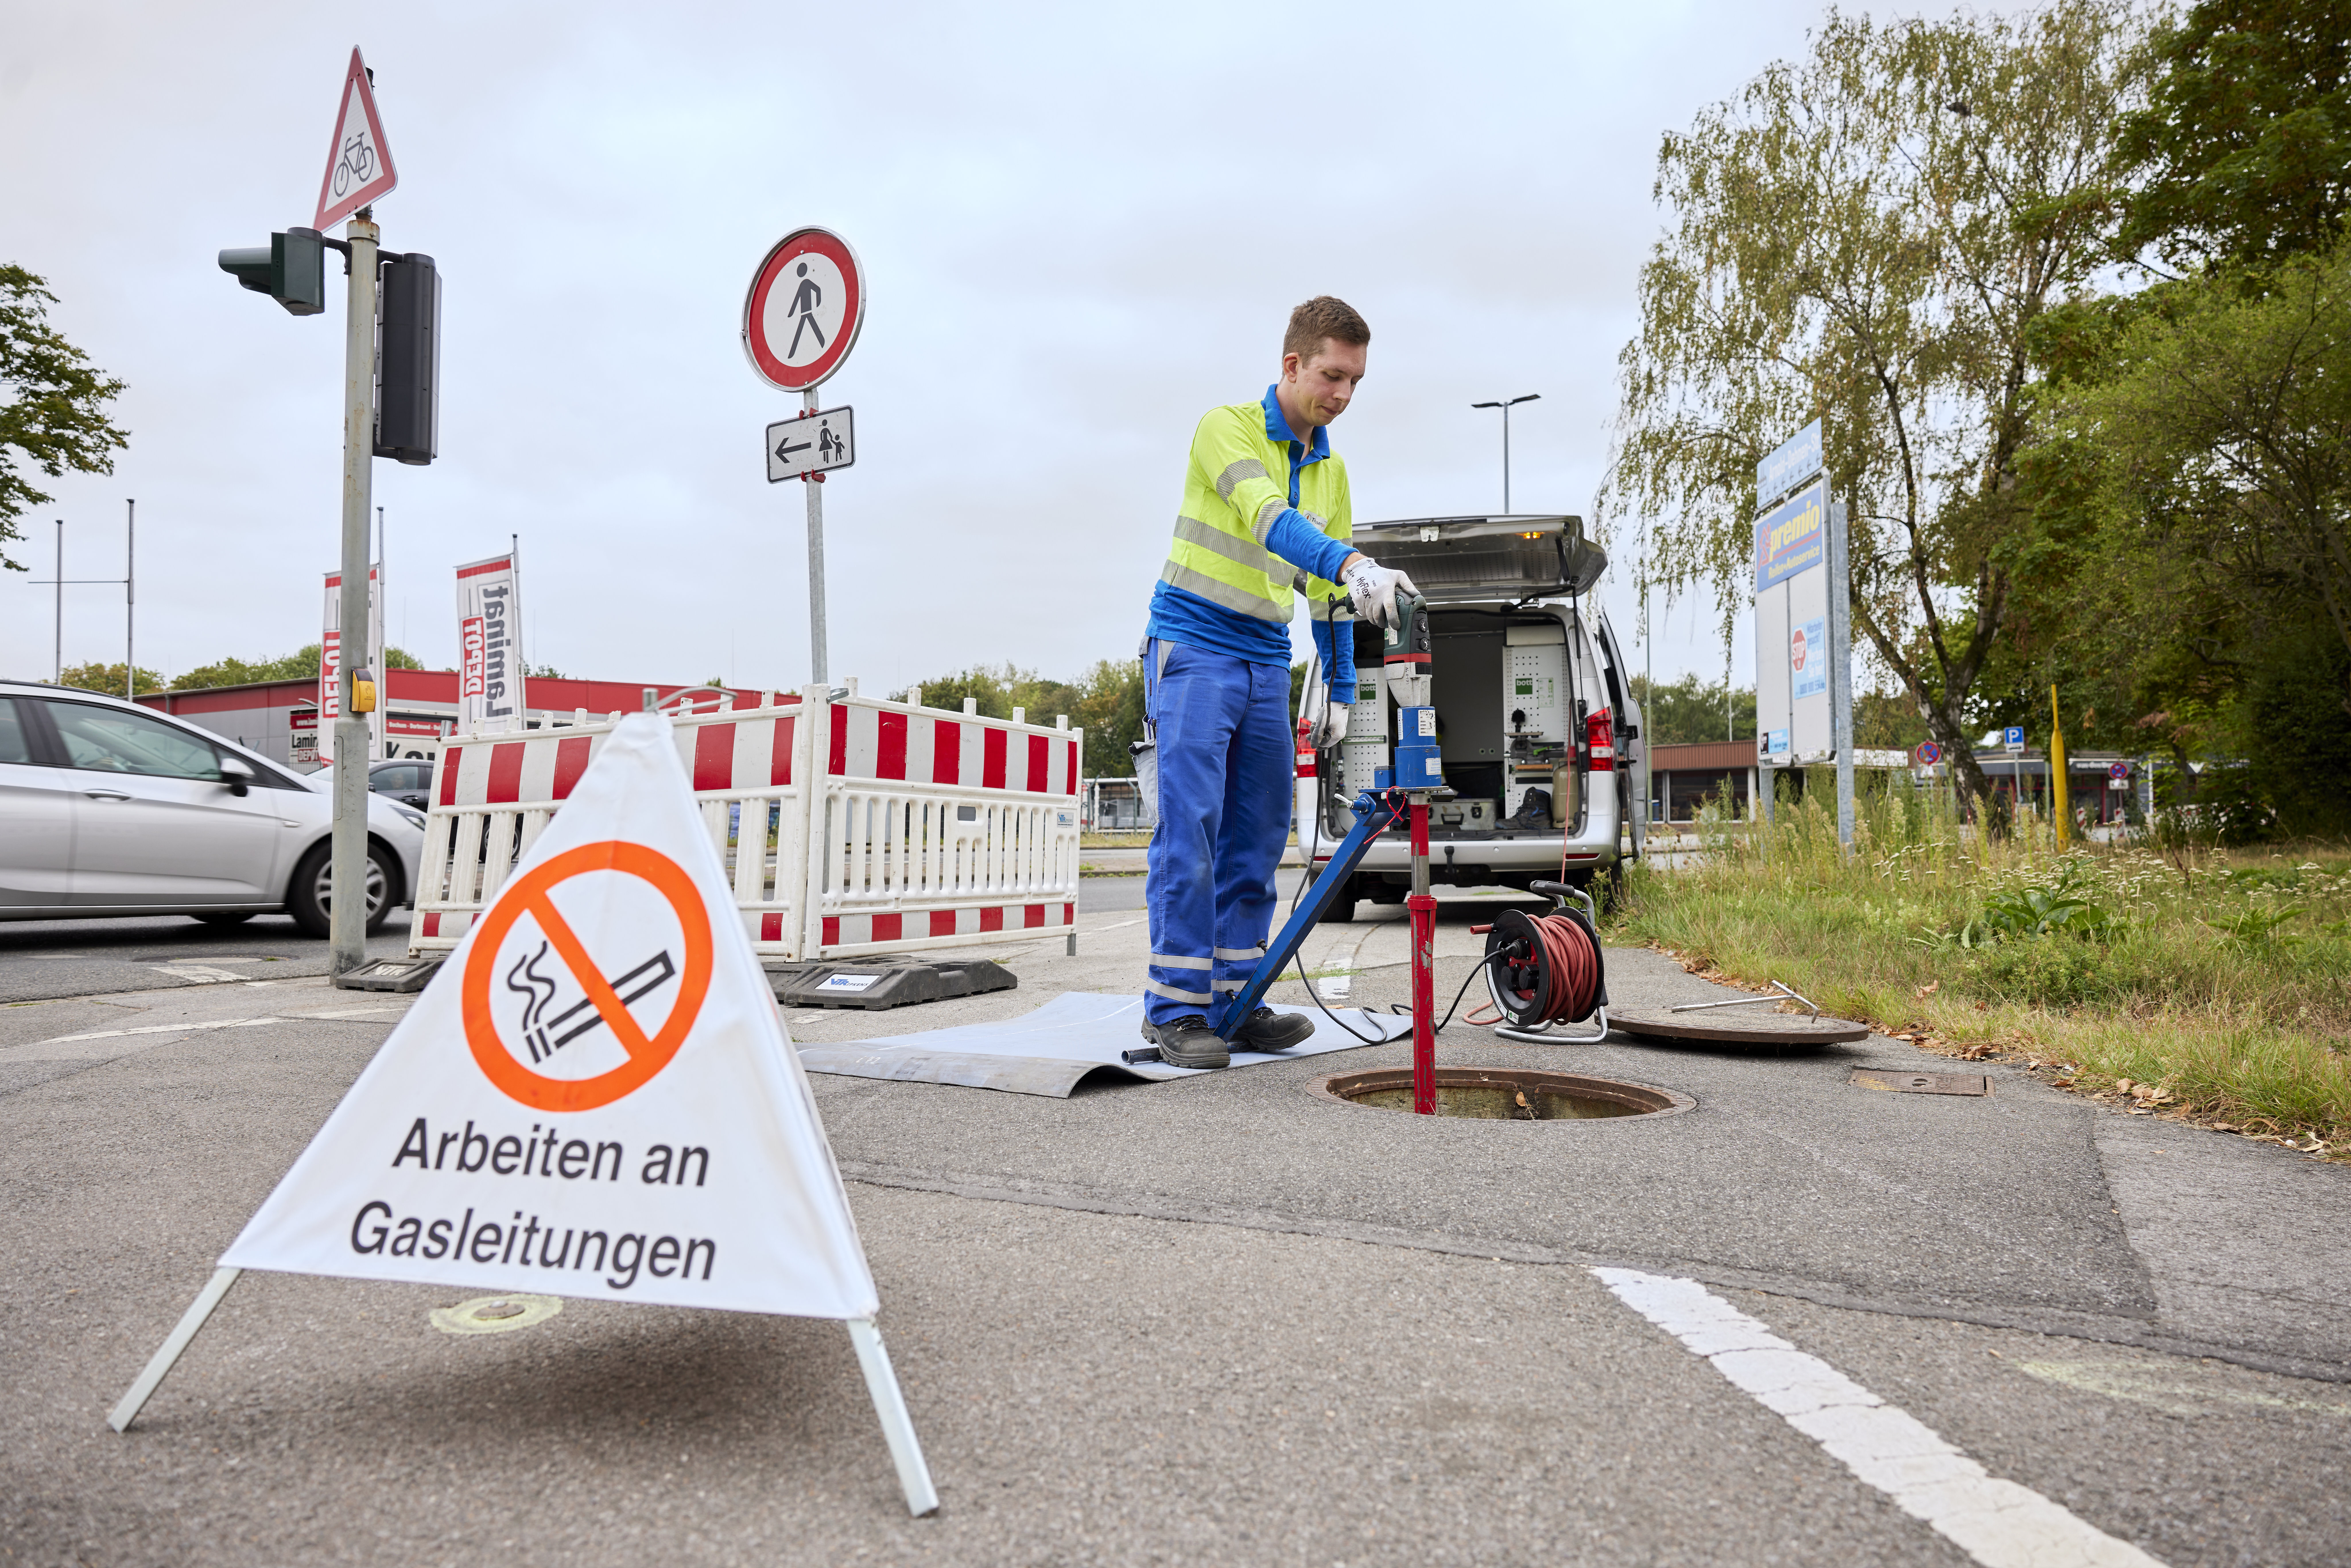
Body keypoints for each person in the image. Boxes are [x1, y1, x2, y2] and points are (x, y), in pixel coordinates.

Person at [1138, 296, 1418, 1069]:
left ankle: (1239, 996)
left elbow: (1327, 593)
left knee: (1258, 836)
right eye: (1332, 375)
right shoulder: (1222, 428)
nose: (1343, 395)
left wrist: (1338, 681)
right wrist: (1352, 563)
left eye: (1357, 381)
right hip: (1192, 643)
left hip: (1264, 655)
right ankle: (1174, 1010)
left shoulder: (1331, 468)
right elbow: (1269, 521)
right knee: (1191, 828)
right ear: (1291, 365)